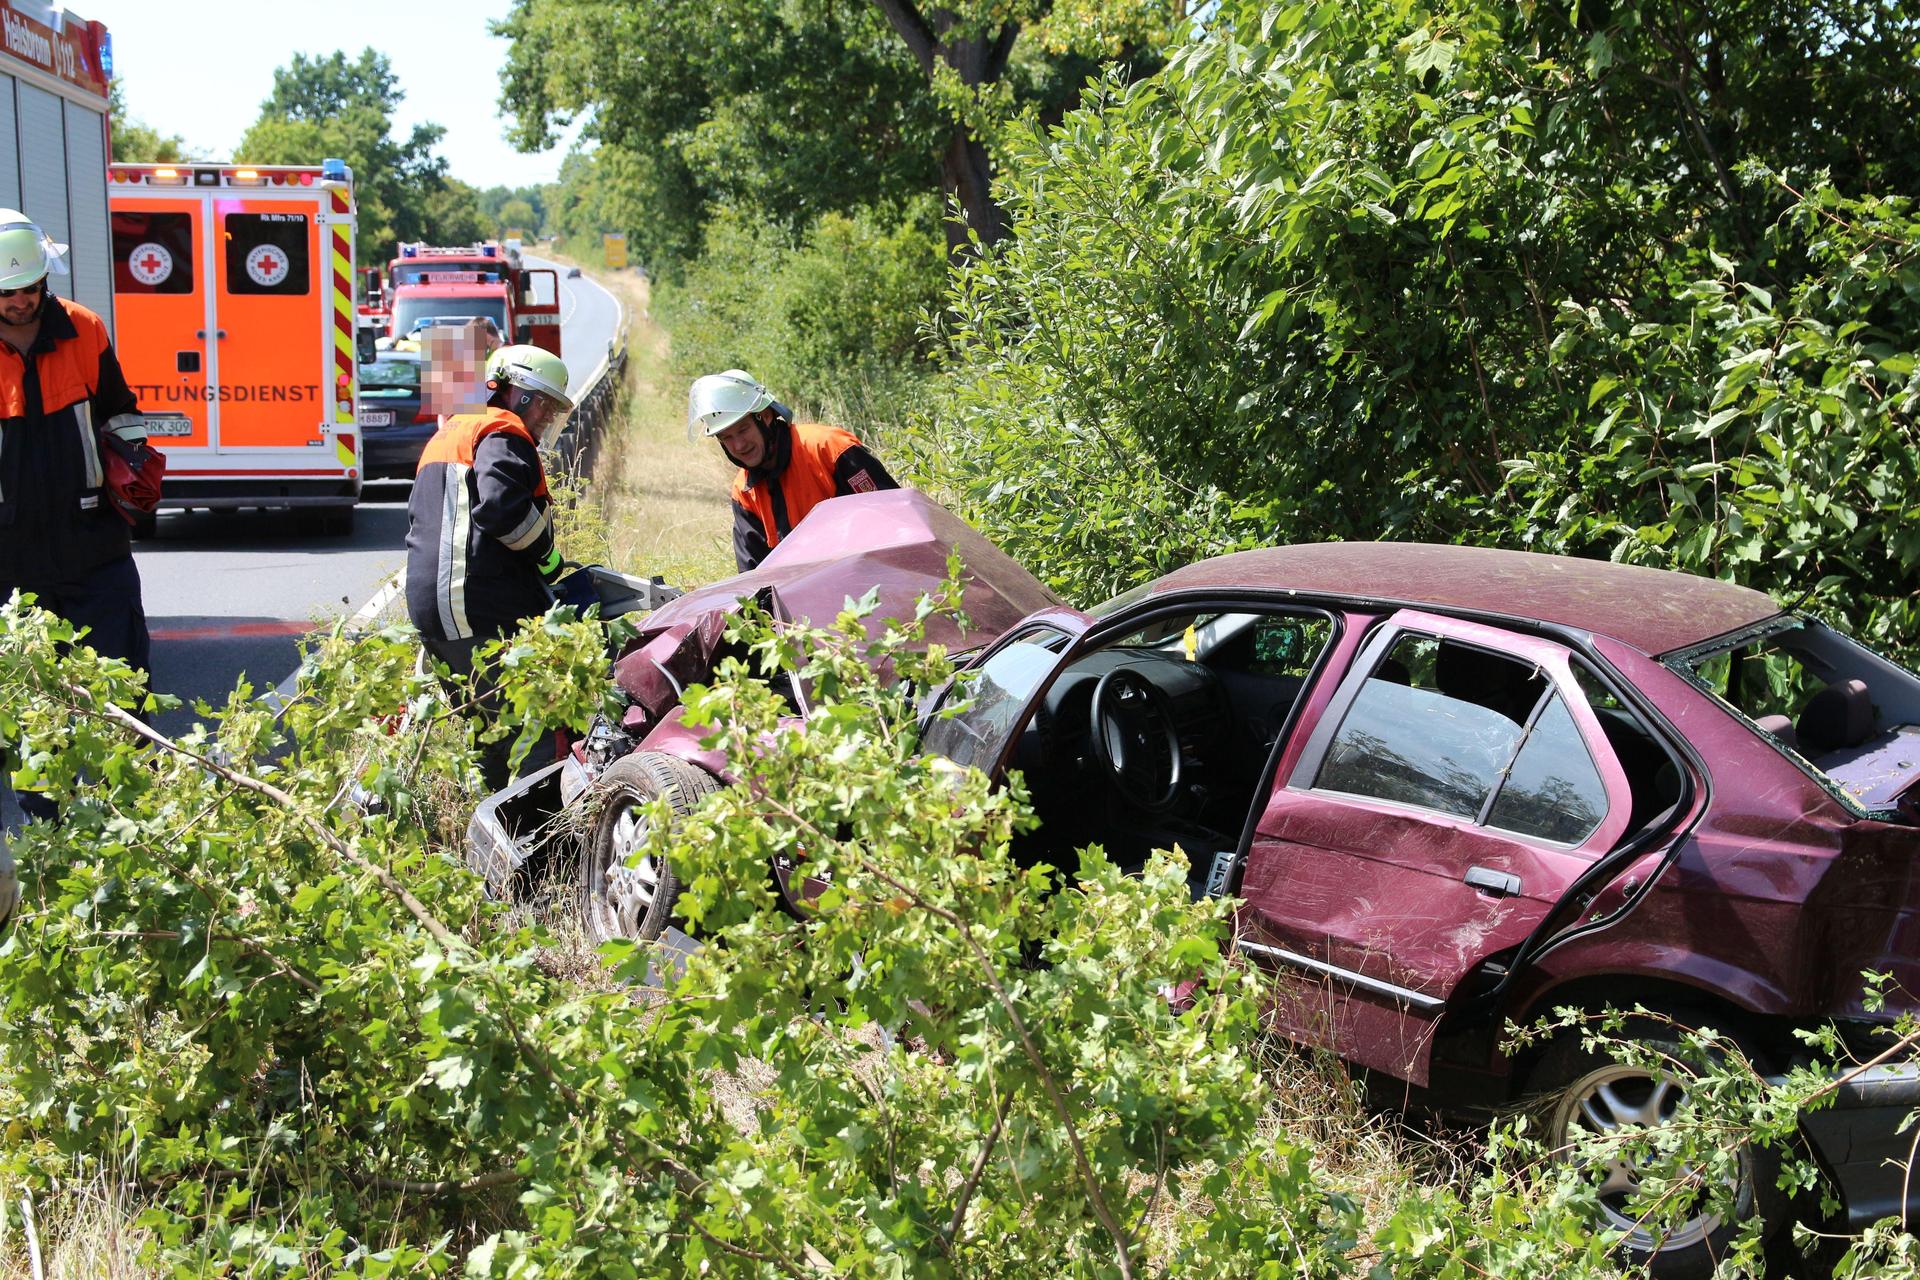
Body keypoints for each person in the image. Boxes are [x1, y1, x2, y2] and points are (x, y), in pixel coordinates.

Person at [404, 344, 573, 788]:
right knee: (535, 731)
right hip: (474, 605)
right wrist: (549, 559)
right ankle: (539, 845)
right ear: (516, 393)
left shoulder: (455, 432)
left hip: (435, 609)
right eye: (545, 406)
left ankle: (485, 839)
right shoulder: (503, 431)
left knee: (490, 734)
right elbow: (501, 511)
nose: (545, 419)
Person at [0, 208, 154, 681]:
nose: (22, 301)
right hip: (7, 555)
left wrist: (136, 470)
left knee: (120, 686)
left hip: (93, 545)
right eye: (8, 293)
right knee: (22, 709)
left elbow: (120, 410)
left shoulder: (84, 329)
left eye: (32, 287)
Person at [686, 369, 899, 572]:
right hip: (802, 602)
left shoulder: (829, 448)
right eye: (726, 437)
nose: (739, 445)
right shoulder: (744, 493)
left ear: (766, 416)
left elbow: (896, 520)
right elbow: (753, 576)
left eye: (743, 429)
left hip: (870, 586)